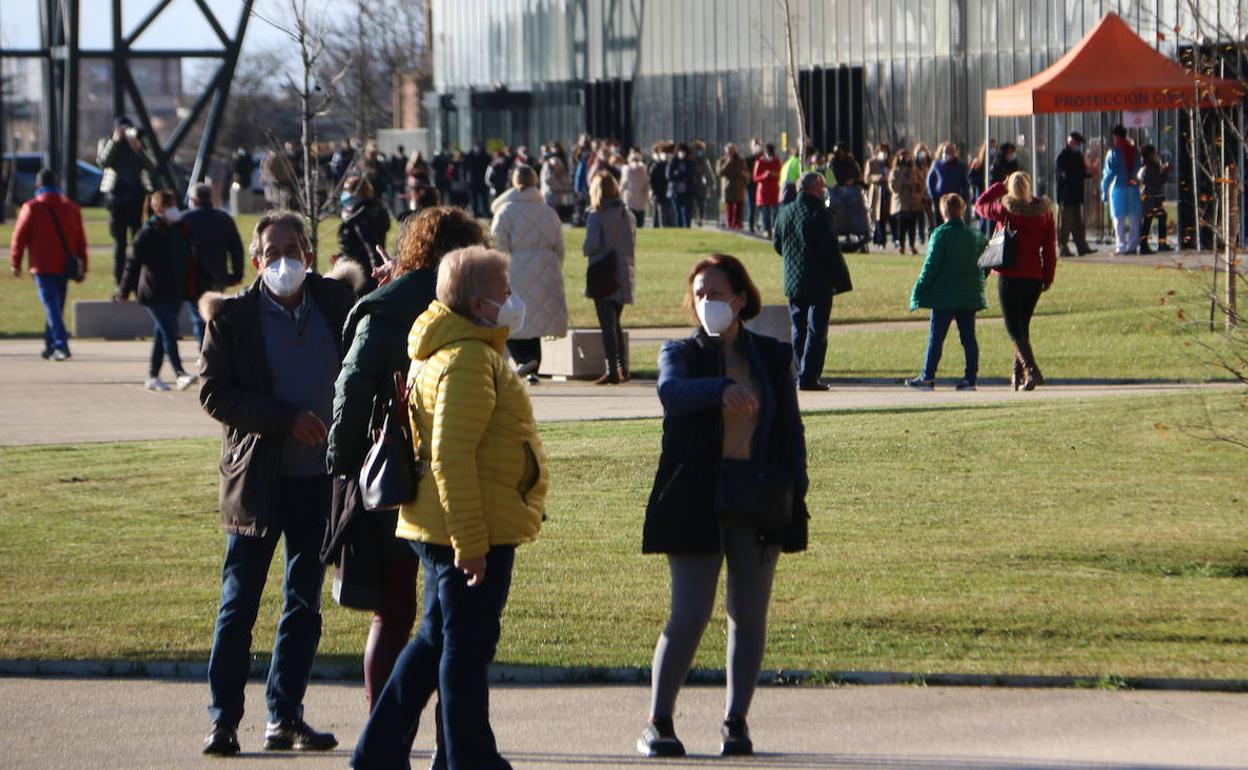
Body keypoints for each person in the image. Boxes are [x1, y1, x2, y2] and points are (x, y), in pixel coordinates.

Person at [349, 245, 547, 770]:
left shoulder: (455, 348)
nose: (512, 300)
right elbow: (450, 457)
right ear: (480, 303)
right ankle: (469, 759)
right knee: (465, 650)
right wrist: (472, 546)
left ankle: (378, 753)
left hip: (444, 524)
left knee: (436, 641)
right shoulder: (467, 358)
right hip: (465, 529)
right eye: (504, 292)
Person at [195, 210, 356, 757]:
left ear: (309, 254)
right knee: (239, 604)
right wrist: (284, 418)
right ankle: (223, 720)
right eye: (272, 252)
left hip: (320, 482)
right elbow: (214, 393)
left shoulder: (335, 303)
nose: (283, 260)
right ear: (256, 259)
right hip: (258, 483)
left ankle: (284, 716)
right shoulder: (233, 318)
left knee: (304, 603)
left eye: (293, 249)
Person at [637, 253, 809, 759]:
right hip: (695, 497)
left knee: (748, 613)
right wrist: (720, 390)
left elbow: (790, 431)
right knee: (689, 613)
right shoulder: (681, 352)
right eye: (699, 294)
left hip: (758, 495)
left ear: (740, 298)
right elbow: (671, 392)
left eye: (716, 292)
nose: (707, 301)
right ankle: (658, 721)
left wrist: (795, 493)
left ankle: (736, 722)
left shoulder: (773, 357)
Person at [326, 206, 485, 721]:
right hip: (459, 470)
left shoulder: (386, 304)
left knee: (393, 614)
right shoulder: (473, 303)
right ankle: (451, 735)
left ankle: (382, 726)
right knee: (454, 615)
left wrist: (344, 460)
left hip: (391, 466)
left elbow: (351, 386)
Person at [975, 171, 1057, 390]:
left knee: (1013, 328)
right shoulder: (1044, 214)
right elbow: (1049, 249)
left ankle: (1032, 370)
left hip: (1009, 275)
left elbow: (980, 205)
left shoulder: (1005, 210)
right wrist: (1048, 276)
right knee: (1022, 327)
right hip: (1033, 277)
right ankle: (1018, 376)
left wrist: (998, 188)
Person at [773, 172, 853, 392]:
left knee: (798, 328)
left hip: (793, 280)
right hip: (818, 281)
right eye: (821, 187)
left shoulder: (785, 212)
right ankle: (810, 375)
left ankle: (801, 373)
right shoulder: (819, 213)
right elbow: (830, 250)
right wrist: (841, 277)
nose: (823, 190)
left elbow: (778, 245)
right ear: (813, 189)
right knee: (817, 331)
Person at [115, 191, 202, 391]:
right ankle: (180, 373)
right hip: (154, 292)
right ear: (158, 209)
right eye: (169, 206)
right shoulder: (147, 232)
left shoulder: (181, 230)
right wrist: (123, 290)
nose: (174, 210)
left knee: (163, 333)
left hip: (176, 291)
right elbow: (132, 263)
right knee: (170, 332)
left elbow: (191, 259)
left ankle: (152, 376)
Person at [490, 164, 568, 382]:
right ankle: (534, 366)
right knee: (536, 322)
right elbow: (559, 245)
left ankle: (525, 360)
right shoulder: (548, 211)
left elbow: (498, 246)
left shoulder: (505, 212)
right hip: (546, 267)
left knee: (510, 319)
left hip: (515, 268)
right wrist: (553, 267)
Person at [905, 194, 987, 391]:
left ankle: (928, 376)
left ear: (943, 212)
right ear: (962, 209)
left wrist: (918, 289)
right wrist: (980, 280)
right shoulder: (975, 236)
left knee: (936, 337)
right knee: (968, 338)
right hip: (967, 295)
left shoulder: (941, 234)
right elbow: (986, 264)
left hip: (944, 296)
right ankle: (970, 377)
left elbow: (931, 266)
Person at [9, 168, 89, 361]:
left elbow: (19, 237)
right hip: (64, 264)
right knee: (56, 306)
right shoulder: (71, 207)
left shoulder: (31, 207)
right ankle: (50, 343)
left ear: (38, 185)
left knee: (51, 306)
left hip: (42, 265)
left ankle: (60, 344)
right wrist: (83, 265)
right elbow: (80, 240)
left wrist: (16, 262)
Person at [583, 171, 637, 385]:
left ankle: (612, 370)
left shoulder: (596, 215)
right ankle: (623, 367)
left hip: (604, 273)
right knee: (616, 322)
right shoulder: (627, 214)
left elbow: (592, 245)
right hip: (624, 271)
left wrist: (585, 249)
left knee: (607, 324)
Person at [98, 115, 156, 286]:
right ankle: (120, 281)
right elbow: (103, 162)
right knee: (119, 244)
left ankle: (138, 281)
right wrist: (115, 142)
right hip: (116, 199)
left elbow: (151, 166)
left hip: (136, 198)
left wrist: (138, 149)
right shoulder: (106, 142)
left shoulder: (137, 144)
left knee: (138, 242)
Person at [338, 175, 392, 296]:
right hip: (363, 269)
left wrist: (377, 273)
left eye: (348, 190)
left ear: (359, 192)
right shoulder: (373, 209)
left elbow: (371, 246)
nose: (345, 194)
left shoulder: (360, 215)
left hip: (359, 273)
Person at [1101, 125, 1142, 256]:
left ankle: (1121, 246)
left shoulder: (1113, 152)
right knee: (1134, 216)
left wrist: (1104, 190)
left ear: (1115, 137)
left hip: (1118, 185)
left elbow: (1108, 173)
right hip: (1133, 185)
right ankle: (1133, 245)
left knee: (1118, 217)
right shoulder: (1134, 151)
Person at [1054, 132, 1096, 257]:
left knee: (1078, 223)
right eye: (1076, 143)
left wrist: (1088, 173)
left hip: (1077, 194)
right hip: (1066, 195)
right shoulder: (1062, 157)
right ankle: (1063, 247)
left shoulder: (1077, 155)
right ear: (1070, 142)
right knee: (1065, 223)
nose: (1078, 146)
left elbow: (1081, 171)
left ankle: (1081, 246)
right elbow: (1065, 176)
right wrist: (1082, 174)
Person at [889, 149, 926, 255]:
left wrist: (916, 184)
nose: (905, 158)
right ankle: (901, 246)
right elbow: (893, 187)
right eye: (902, 156)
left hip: (913, 202)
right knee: (902, 225)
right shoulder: (895, 171)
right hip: (901, 202)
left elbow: (922, 184)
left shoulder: (915, 170)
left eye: (907, 156)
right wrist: (904, 182)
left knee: (912, 226)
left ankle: (912, 245)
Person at [1137, 144, 1171, 254]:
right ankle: (1160, 244)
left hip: (1146, 196)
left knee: (1149, 219)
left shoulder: (1143, 165)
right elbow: (1158, 181)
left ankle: (1145, 244)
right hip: (1152, 197)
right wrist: (1165, 171)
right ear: (1150, 154)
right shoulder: (1152, 165)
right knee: (1157, 217)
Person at [926, 143, 971, 225]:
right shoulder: (937, 165)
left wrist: (964, 198)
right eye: (946, 151)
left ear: (954, 152)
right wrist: (933, 195)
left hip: (954, 200)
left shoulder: (960, 166)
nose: (948, 154)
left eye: (950, 151)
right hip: (939, 199)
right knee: (938, 222)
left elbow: (965, 183)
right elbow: (930, 181)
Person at [716, 144, 749, 231]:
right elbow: (720, 173)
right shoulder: (722, 161)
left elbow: (747, 174)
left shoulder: (741, 161)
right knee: (729, 210)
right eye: (728, 151)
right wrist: (728, 162)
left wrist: (745, 177)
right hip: (728, 189)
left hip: (739, 189)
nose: (730, 153)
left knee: (739, 209)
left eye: (731, 151)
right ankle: (730, 226)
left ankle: (738, 225)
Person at [752, 144, 782, 239]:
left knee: (775, 212)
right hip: (763, 192)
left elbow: (780, 174)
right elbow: (755, 178)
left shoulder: (777, 161)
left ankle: (775, 229)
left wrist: (774, 175)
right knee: (765, 213)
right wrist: (764, 175)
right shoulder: (760, 162)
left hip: (774, 191)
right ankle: (766, 229)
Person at [866, 142, 893, 246]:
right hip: (877, 191)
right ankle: (880, 239)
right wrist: (878, 177)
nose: (883, 153)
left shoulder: (890, 162)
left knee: (887, 216)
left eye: (885, 151)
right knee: (878, 215)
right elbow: (866, 178)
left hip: (888, 190)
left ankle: (885, 238)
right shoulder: (871, 162)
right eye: (882, 151)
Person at [540, 147, 575, 223]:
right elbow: (547, 180)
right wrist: (554, 174)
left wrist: (560, 174)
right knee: (549, 210)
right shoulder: (547, 167)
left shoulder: (561, 166)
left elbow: (566, 182)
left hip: (559, 193)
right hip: (549, 193)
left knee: (557, 211)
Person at [666, 143, 695, 228]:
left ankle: (687, 227)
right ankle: (679, 228)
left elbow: (691, 174)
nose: (682, 153)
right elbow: (669, 175)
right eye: (680, 151)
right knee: (678, 212)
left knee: (686, 212)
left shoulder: (690, 163)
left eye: (683, 152)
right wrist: (681, 175)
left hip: (687, 191)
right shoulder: (673, 162)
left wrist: (678, 174)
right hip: (675, 191)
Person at [621, 149, 651, 227]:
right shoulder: (644, 170)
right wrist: (647, 199)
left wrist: (619, 196)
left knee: (630, 225)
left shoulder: (626, 170)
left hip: (629, 201)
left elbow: (623, 185)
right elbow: (647, 186)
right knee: (639, 224)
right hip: (640, 202)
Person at [691, 140, 718, 226]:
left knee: (701, 202)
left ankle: (700, 218)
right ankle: (696, 217)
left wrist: (713, 182)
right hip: (693, 184)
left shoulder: (705, 160)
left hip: (702, 184)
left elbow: (709, 172)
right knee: (694, 202)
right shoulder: (691, 160)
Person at [913, 143, 935, 239]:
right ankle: (921, 235)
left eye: (923, 151)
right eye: (919, 151)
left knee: (931, 216)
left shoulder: (931, 164)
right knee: (920, 216)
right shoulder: (914, 166)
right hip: (920, 194)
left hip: (930, 194)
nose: (922, 154)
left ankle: (931, 234)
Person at [649, 143, 671, 227]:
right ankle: (660, 227)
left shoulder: (669, 165)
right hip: (658, 193)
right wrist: (653, 191)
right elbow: (652, 180)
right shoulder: (655, 166)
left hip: (666, 192)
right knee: (660, 213)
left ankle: (659, 226)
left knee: (663, 213)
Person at [745, 138, 763, 233]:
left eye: (758, 144)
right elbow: (745, 172)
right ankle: (752, 225)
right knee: (752, 206)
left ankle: (760, 224)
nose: (757, 147)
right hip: (752, 185)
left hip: (763, 186)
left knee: (762, 206)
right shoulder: (748, 160)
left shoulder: (764, 158)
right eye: (754, 145)